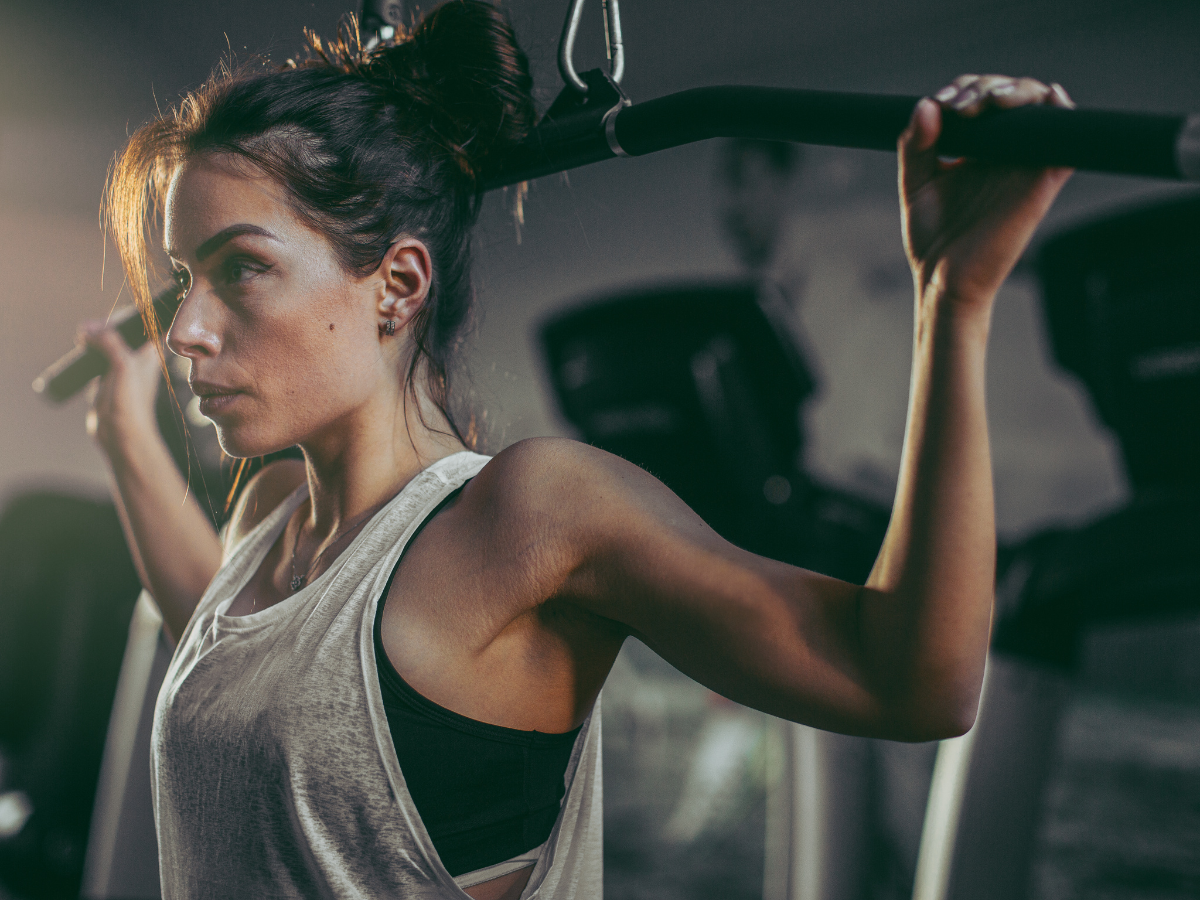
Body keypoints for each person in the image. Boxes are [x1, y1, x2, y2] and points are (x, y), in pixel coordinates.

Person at [79, 0, 1075, 896]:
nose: (187, 330)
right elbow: (240, 677)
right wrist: (122, 432)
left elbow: (913, 683)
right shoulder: (269, 519)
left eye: (241, 269)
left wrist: (953, 299)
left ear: (399, 285)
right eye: (185, 279)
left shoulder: (526, 515)